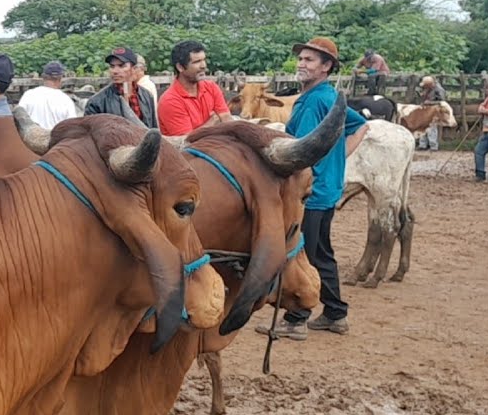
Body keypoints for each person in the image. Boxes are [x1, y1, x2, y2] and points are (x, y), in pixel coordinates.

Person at [258, 37, 368, 341]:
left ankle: (297, 318)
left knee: (305, 253)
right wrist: (337, 161)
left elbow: (299, 155)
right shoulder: (328, 97)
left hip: (311, 193)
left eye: (309, 60)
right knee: (321, 252)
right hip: (326, 188)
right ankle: (335, 313)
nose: (302, 64)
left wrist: (332, 160)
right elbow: (361, 126)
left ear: (326, 67)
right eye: (302, 59)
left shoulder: (313, 102)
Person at [157, 40, 233, 136]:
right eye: (197, 62)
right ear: (180, 67)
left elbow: (227, 119)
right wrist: (212, 122)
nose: (203, 66)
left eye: (204, 60)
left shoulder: (211, 87)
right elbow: (187, 142)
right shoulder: (170, 101)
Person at [83, 47, 157, 129]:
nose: (115, 71)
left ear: (134, 69)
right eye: (112, 66)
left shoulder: (146, 96)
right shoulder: (96, 102)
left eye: (121, 66)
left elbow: (153, 129)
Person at [16, 61, 79, 130]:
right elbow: (72, 128)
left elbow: (19, 118)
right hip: (56, 139)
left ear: (43, 77)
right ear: (60, 78)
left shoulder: (28, 95)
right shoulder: (66, 100)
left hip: (31, 139)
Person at [416, 75, 447, 151]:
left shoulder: (439, 90)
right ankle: (423, 145)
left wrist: (430, 102)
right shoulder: (428, 89)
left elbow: (442, 101)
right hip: (426, 109)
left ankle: (433, 146)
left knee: (432, 128)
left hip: (434, 110)